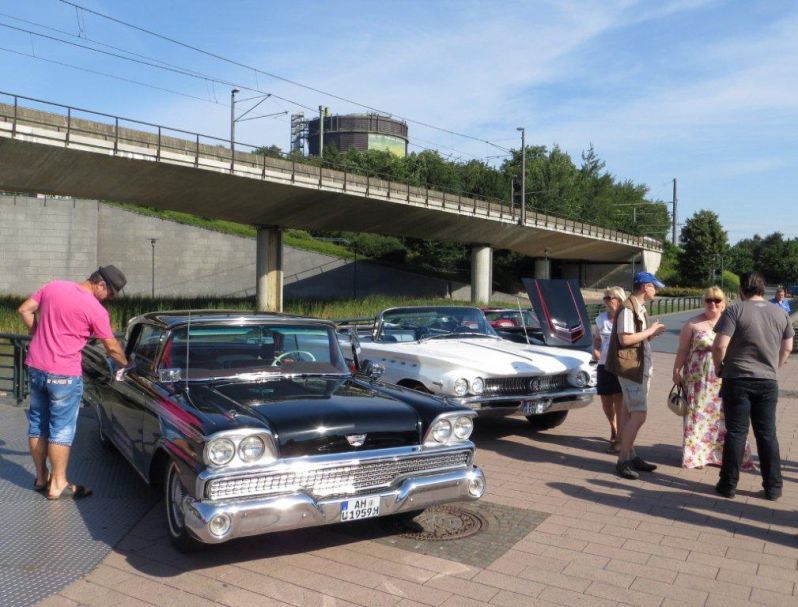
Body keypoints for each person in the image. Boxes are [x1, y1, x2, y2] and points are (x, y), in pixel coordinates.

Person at [17, 266, 128, 500]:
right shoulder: (95, 310)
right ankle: (58, 484)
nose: (110, 298)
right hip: (64, 375)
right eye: (111, 294)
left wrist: (38, 336)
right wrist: (125, 365)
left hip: (36, 367)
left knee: (37, 424)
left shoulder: (54, 286)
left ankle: (41, 477)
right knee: (61, 430)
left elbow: (24, 310)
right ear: (101, 285)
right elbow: (111, 347)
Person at [712, 271, 794, 500]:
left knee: (736, 432)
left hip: (737, 378)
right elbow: (787, 347)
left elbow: (719, 345)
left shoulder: (735, 310)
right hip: (767, 380)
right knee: (767, 433)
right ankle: (773, 487)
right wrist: (774, 367)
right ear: (762, 287)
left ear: (741, 289)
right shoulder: (780, 312)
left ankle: (728, 484)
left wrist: (719, 367)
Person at [673, 286, 752, 469]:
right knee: (697, 415)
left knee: (723, 417)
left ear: (724, 304)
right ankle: (697, 456)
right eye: (709, 300)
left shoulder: (731, 323)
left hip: (724, 378)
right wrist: (676, 371)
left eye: (717, 300)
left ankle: (722, 456)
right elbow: (683, 350)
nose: (713, 304)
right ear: (704, 302)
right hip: (697, 379)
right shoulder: (692, 324)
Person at [605, 272, 667, 479]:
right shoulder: (629, 309)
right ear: (645, 287)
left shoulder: (636, 308)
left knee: (628, 412)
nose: (656, 291)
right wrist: (651, 331)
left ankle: (630, 453)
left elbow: (632, 339)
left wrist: (650, 333)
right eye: (654, 287)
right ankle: (623, 459)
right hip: (632, 369)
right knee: (639, 414)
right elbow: (625, 339)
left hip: (636, 367)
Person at [591, 286, 627, 453]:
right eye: (605, 298)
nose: (606, 301)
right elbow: (597, 339)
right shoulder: (601, 319)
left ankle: (619, 437)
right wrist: (596, 349)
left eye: (609, 298)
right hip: (604, 364)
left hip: (620, 364)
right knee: (606, 402)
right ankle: (613, 426)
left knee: (619, 401)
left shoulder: (625, 318)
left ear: (619, 299)